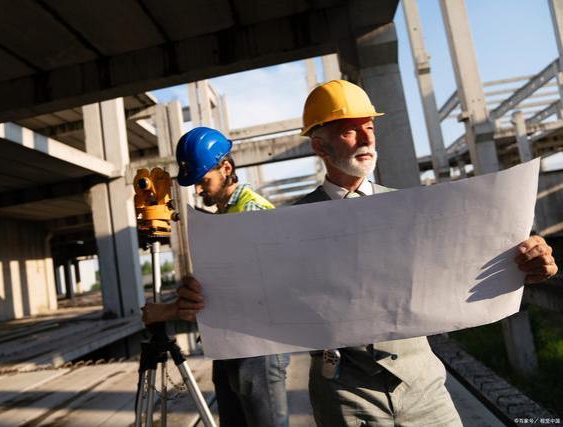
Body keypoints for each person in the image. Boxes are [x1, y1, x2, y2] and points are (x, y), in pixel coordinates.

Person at [176, 80, 559, 426]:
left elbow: (473, 261)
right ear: (319, 145)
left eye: (370, 127)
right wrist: (207, 298)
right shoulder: (286, 226)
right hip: (345, 396)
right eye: (348, 130)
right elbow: (257, 294)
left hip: (424, 385)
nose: (365, 138)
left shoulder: (417, 209)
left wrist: (529, 263)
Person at [141, 126, 290, 427]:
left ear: (226, 168)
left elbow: (248, 294)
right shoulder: (223, 216)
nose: (197, 190)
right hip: (229, 345)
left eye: (203, 181)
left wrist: (167, 311)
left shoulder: (252, 213)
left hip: (258, 349)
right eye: (193, 183)